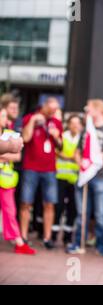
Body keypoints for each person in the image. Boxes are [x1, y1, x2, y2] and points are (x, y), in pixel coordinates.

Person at [66, 99, 103, 256]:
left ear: (98, 110)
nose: (86, 112)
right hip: (84, 176)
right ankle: (78, 242)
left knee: (100, 214)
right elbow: (78, 151)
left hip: (101, 177)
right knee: (82, 213)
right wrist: (81, 164)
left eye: (88, 109)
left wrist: (95, 157)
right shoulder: (86, 129)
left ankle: (101, 245)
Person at [19, 97, 62, 249]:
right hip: (31, 167)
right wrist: (32, 122)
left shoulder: (56, 122)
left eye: (55, 110)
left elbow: (60, 147)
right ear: (44, 106)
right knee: (26, 202)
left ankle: (47, 238)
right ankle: (23, 237)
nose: (53, 112)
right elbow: (25, 138)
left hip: (49, 169)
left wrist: (56, 136)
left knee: (49, 204)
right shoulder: (30, 118)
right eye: (51, 109)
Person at [0, 107, 36, 254]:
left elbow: (17, 156)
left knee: (10, 211)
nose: (5, 119)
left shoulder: (10, 134)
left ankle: (19, 242)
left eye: (4, 116)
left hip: (5, 180)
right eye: (2, 116)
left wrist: (4, 152)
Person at [52, 114, 83, 245]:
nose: (75, 126)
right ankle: (53, 236)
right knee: (58, 207)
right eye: (73, 123)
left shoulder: (83, 139)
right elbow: (56, 151)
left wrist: (68, 156)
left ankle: (67, 237)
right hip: (60, 177)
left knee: (73, 209)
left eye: (77, 123)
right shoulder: (62, 137)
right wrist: (69, 156)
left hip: (76, 179)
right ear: (68, 124)